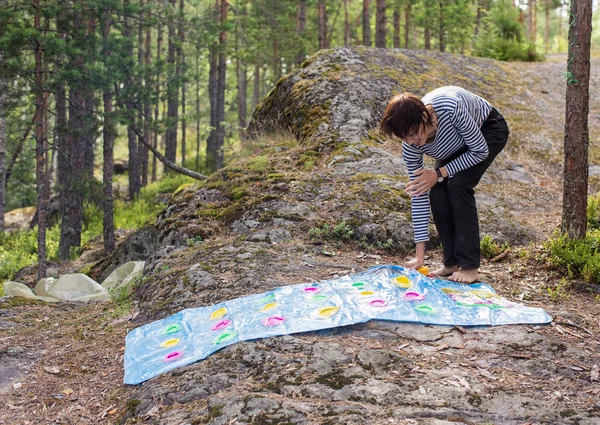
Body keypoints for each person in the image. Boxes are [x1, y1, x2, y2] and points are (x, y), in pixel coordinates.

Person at [379, 86, 509, 283]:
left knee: (458, 185)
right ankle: (452, 263)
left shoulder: (450, 108)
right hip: (455, 148)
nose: (412, 142)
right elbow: (419, 195)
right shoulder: (410, 146)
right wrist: (419, 256)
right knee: (437, 192)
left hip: (486, 130)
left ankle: (469, 265)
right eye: (404, 137)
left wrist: (439, 172)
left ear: (424, 116)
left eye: (413, 133)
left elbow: (479, 151)